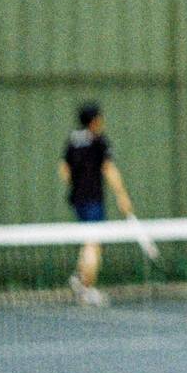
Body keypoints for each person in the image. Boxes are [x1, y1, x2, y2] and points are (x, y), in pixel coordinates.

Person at [59, 100, 134, 306]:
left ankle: (79, 278)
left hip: (78, 201)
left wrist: (78, 183)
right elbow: (109, 169)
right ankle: (87, 288)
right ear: (94, 120)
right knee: (94, 243)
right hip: (93, 200)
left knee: (88, 241)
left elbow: (64, 170)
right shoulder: (99, 141)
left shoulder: (72, 141)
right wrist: (122, 195)